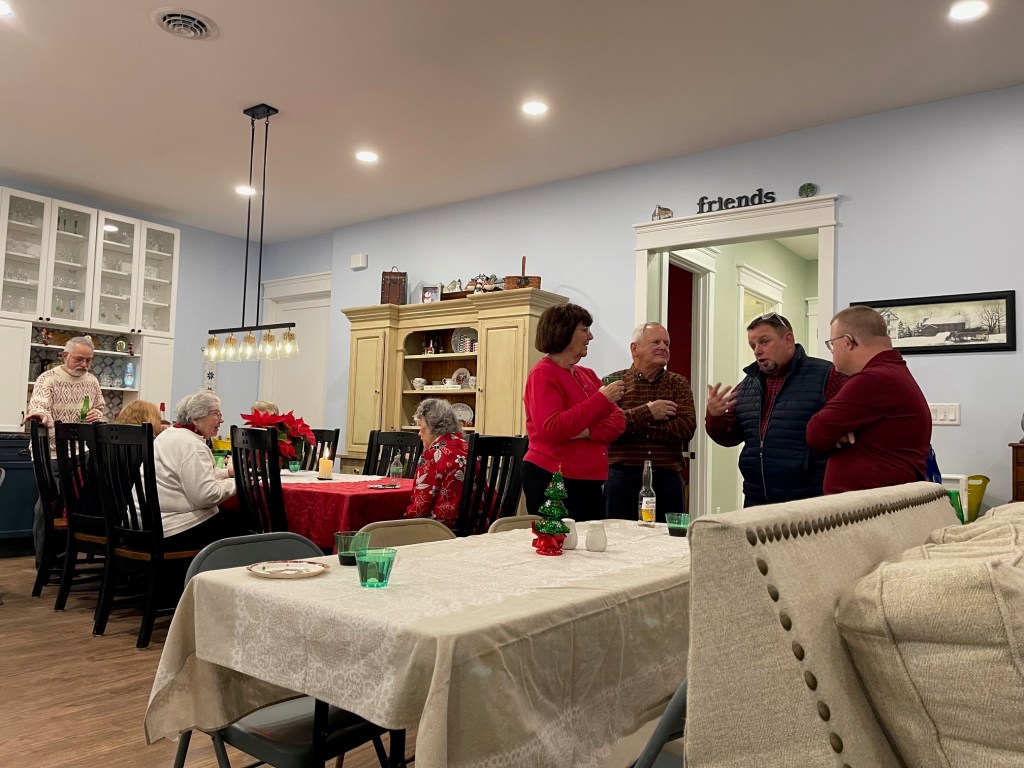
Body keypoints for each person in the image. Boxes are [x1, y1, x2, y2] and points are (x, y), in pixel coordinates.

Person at [706, 312, 846, 507]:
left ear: (788, 340)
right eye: (753, 345)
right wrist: (715, 417)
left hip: (809, 500)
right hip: (756, 499)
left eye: (764, 342)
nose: (757, 351)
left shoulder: (827, 375)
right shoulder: (747, 385)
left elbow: (851, 420)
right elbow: (730, 437)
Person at [806, 305, 932, 493]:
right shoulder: (892, 372)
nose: (832, 351)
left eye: (832, 344)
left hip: (871, 504)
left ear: (848, 342)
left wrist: (838, 431)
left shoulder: (873, 379)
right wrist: (839, 430)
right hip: (880, 498)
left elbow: (816, 433)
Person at [522, 303, 626, 521]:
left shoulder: (588, 374)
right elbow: (552, 428)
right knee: (560, 541)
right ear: (564, 331)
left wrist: (586, 432)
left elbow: (619, 421)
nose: (591, 337)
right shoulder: (542, 374)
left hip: (589, 480)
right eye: (585, 329)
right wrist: (602, 399)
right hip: (552, 478)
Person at [25, 336, 105, 565]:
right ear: (65, 356)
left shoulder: (91, 381)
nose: (84, 365)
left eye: (89, 360)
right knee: (49, 505)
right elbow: (39, 404)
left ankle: (66, 560)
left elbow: (99, 406)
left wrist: (98, 414)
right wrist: (41, 414)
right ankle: (48, 562)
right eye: (79, 359)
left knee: (76, 505)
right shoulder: (48, 379)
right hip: (50, 454)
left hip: (80, 452)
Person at [605, 322, 696, 521]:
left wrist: (634, 422)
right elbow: (609, 429)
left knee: (668, 538)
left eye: (667, 343)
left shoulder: (679, 384)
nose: (663, 347)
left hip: (667, 481)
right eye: (656, 342)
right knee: (618, 537)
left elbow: (686, 429)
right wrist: (649, 412)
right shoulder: (613, 383)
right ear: (635, 349)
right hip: (622, 480)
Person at [152, 391, 242, 548]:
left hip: (146, 524)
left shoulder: (168, 435)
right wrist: (239, 482)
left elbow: (192, 474)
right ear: (195, 419)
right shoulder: (192, 445)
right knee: (246, 526)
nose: (221, 420)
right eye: (216, 414)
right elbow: (207, 496)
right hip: (171, 529)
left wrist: (226, 473)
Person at [405, 398, 469, 529]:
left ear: (432, 426)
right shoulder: (468, 447)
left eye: (420, 425)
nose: (419, 433)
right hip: (481, 526)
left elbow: (419, 510)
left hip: (442, 529)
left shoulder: (433, 454)